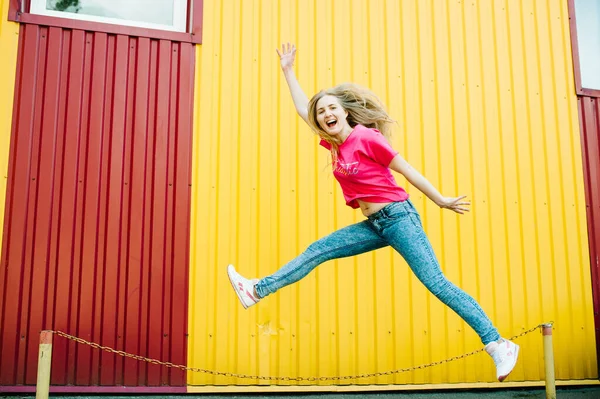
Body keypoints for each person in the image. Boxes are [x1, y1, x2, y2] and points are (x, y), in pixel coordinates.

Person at [227, 43, 519, 382]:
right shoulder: (335, 143)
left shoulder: (366, 137)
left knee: (437, 283)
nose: (325, 115)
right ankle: (257, 290)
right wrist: (287, 71)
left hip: (399, 219)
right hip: (374, 224)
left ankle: (498, 344)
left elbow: (406, 169)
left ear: (345, 112)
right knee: (317, 251)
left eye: (331, 108)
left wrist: (440, 199)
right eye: (321, 112)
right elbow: (301, 110)